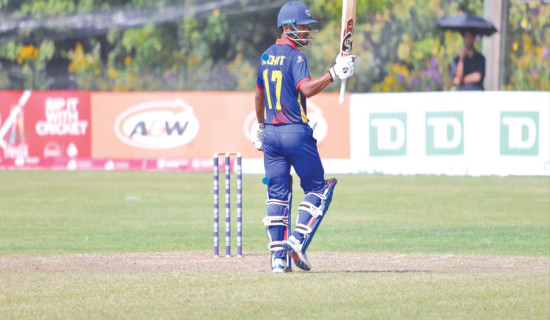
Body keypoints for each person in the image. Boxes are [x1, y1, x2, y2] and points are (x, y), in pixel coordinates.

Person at [252, 0, 356, 273]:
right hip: (295, 132)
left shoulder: (265, 55)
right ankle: (297, 241)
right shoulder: (295, 56)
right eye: (303, 26)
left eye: (309, 27)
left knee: (277, 194)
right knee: (318, 189)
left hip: (272, 136)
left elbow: (259, 93)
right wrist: (334, 73)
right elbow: (307, 90)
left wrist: (261, 124)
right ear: (287, 27)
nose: (308, 32)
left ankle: (277, 260)